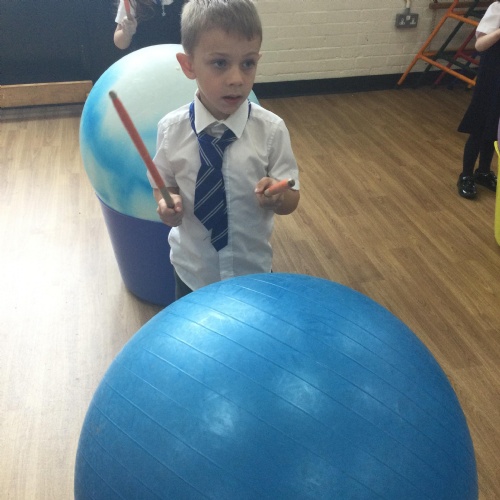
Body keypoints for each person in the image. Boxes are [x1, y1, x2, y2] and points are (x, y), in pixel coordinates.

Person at [150, 0, 300, 299]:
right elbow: (162, 183)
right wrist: (167, 203)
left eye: (248, 63)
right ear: (189, 65)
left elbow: (292, 196)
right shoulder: (170, 130)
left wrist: (279, 197)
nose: (237, 79)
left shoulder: (271, 131)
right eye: (220, 63)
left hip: (253, 271)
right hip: (192, 272)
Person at [457, 0, 500, 199]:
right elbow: (480, 45)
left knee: (494, 127)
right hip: (492, 77)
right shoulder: (497, 8)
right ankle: (466, 175)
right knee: (480, 125)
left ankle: (483, 172)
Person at [114, 0, 185, 50]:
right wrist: (126, 33)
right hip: (144, 61)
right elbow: (120, 44)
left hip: (180, 61)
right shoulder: (132, 1)